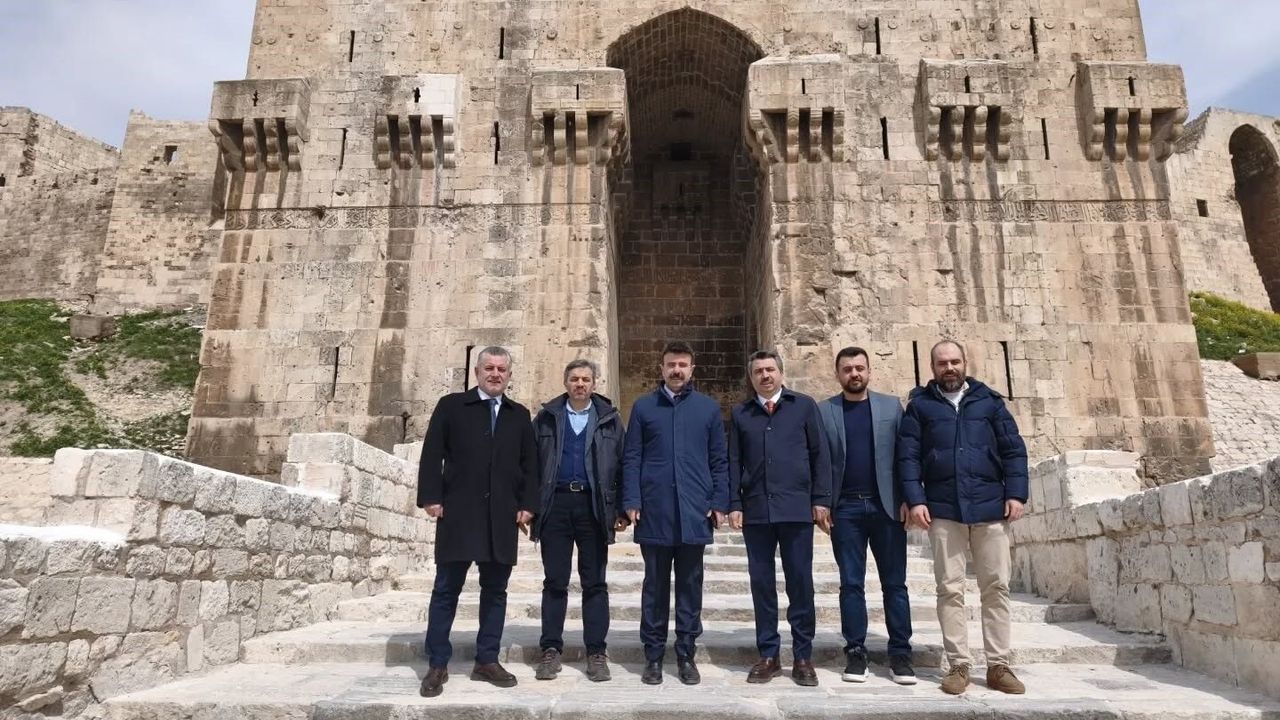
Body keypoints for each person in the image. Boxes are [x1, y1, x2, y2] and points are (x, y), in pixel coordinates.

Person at [897, 340, 1029, 696]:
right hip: (944, 509)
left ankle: (999, 665)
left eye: (955, 361)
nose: (949, 368)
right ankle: (958, 664)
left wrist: (1016, 493)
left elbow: (1013, 449)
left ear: (965, 363)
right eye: (942, 363)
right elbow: (908, 457)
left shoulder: (989, 402)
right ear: (932, 367)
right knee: (950, 589)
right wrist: (915, 499)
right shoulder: (920, 406)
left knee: (996, 587)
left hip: (990, 507)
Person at [415, 346, 538, 698]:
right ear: (477, 372)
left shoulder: (519, 415)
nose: (495, 374)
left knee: (495, 591)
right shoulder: (452, 406)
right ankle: (438, 662)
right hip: (459, 513)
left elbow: (530, 465)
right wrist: (431, 497)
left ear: (509, 375)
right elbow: (432, 453)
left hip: (501, 516)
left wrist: (528, 504)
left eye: (501, 369)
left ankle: (487, 659)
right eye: (489, 368)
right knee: (446, 590)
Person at [622, 340, 730, 686]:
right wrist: (632, 499)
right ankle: (653, 655)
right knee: (654, 586)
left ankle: (686, 653)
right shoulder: (643, 407)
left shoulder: (707, 409)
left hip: (694, 510)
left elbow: (719, 459)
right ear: (662, 368)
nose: (677, 370)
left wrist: (719, 501)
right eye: (671, 364)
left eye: (683, 365)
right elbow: (632, 457)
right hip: (655, 510)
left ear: (692, 369)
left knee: (690, 586)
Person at [727, 350, 831, 686]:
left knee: (800, 582)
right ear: (751, 377)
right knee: (762, 584)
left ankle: (802, 656)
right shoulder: (741, 414)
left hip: (796, 509)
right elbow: (733, 461)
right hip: (757, 510)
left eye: (770, 369)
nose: (765, 375)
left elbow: (820, 454)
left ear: (781, 373)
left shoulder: (804, 407)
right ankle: (768, 655)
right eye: (758, 371)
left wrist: (821, 499)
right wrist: (734, 503)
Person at [817, 346, 916, 685]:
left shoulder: (890, 407)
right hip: (845, 510)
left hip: (886, 507)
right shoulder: (824, 411)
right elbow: (820, 462)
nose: (854, 374)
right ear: (837, 374)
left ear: (870, 371)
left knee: (895, 584)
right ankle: (856, 651)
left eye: (860, 368)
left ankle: (900, 653)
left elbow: (905, 455)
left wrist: (908, 498)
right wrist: (822, 502)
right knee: (851, 584)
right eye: (847, 369)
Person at [530, 359, 628, 682]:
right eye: (574, 379)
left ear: (594, 383)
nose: (580, 384)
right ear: (566, 382)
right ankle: (550, 649)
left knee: (595, 583)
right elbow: (530, 464)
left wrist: (621, 509)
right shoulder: (547, 418)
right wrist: (528, 505)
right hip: (555, 505)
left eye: (586, 379)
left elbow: (623, 464)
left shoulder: (609, 420)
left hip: (593, 507)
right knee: (555, 581)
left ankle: (596, 652)